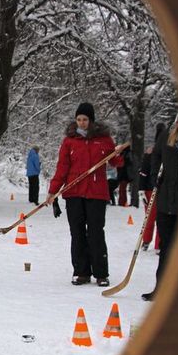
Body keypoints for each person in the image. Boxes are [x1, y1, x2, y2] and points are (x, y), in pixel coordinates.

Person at [45, 102, 124, 287]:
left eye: (85, 119)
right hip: (74, 192)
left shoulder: (103, 139)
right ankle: (81, 272)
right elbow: (62, 168)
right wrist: (53, 191)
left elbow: (115, 163)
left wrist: (119, 153)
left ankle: (101, 273)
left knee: (96, 233)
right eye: (79, 119)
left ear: (91, 120)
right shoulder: (69, 141)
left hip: (96, 193)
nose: (81, 123)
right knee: (77, 233)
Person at [142, 108, 178, 301]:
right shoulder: (166, 139)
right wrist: (154, 177)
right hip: (165, 202)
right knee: (166, 247)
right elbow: (155, 157)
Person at [138, 145, 159, 251]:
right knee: (150, 218)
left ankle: (159, 244)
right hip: (150, 190)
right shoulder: (149, 155)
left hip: (164, 190)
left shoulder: (169, 153)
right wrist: (141, 190)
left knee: (162, 219)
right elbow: (143, 173)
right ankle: (146, 240)